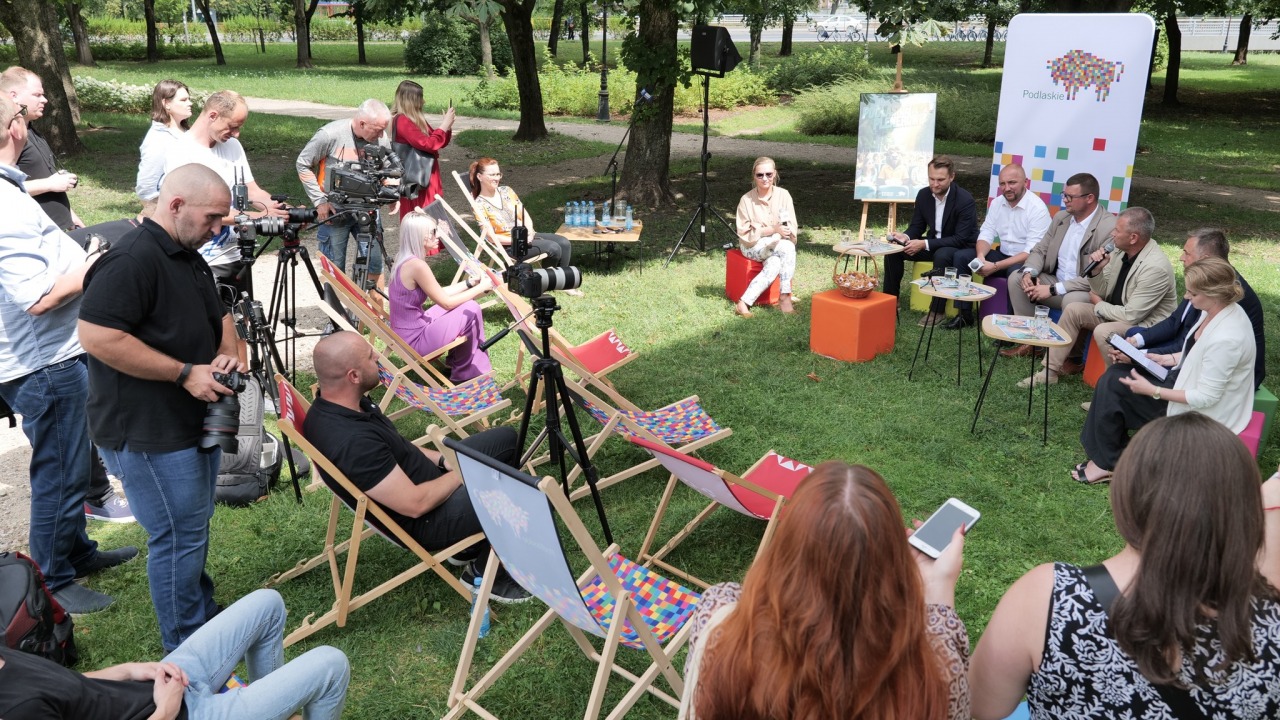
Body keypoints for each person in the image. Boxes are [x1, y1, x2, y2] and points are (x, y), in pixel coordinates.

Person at [970, 413, 1280, 719]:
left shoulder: (1049, 598)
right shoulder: (1273, 619)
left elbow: (977, 707)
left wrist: (937, 596)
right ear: (1246, 508)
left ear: (1125, 496)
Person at [78, 164, 243, 651]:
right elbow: (97, 335)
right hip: (148, 430)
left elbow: (220, 316)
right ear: (175, 205)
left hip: (190, 419)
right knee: (177, 535)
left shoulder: (187, 252)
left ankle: (200, 612)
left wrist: (226, 352)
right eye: (212, 217)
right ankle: (188, 648)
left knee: (191, 527)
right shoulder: (131, 259)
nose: (219, 229)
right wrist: (183, 373)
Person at [679, 462, 970, 720]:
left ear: (786, 548)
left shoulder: (717, 617)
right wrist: (938, 587)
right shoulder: (937, 673)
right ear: (891, 561)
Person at [0, 95, 137, 614]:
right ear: (15, 128)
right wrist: (96, 262)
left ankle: (76, 551)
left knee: (74, 461)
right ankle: (53, 577)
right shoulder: (5, 201)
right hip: (42, 362)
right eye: (23, 119)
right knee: (59, 470)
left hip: (52, 354)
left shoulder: (10, 190)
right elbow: (36, 298)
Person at [302, 331, 532, 603]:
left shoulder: (347, 404)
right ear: (353, 376)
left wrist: (446, 460)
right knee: (521, 491)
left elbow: (400, 446)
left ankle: (470, 544)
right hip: (428, 519)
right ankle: (487, 574)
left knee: (505, 440)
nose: (378, 357)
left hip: (430, 485)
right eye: (370, 356)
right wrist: (464, 471)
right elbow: (415, 504)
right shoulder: (351, 442)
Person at [0, 588, 350, 720]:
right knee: (331, 665)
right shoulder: (17, 710)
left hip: (167, 685)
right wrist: (166, 711)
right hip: (177, 713)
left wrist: (127, 670)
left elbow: (59, 688)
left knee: (267, 604)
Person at [1072, 257, 1254, 483]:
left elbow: (1206, 397)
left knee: (1116, 387)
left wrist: (1152, 390)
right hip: (1185, 379)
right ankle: (1109, 457)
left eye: (1192, 293)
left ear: (1214, 292)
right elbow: (1198, 353)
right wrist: (1161, 358)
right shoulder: (1215, 309)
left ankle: (1108, 462)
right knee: (1114, 375)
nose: (1187, 297)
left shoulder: (1228, 338)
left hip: (1206, 410)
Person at [1017, 207, 1176, 388]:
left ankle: (1112, 389)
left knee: (1104, 331)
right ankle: (1049, 372)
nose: (1112, 234)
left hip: (1143, 322)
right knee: (1073, 309)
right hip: (1117, 310)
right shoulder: (1119, 251)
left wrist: (1099, 304)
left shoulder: (1155, 267)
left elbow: (1132, 315)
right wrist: (1096, 271)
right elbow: (1102, 290)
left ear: (1133, 238)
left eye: (1117, 230)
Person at [163, 90, 288, 282]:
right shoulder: (182, 153)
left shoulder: (232, 146)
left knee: (243, 311)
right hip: (203, 259)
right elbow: (200, 211)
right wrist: (259, 217)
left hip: (237, 254)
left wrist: (280, 211)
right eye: (233, 126)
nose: (236, 134)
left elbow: (252, 191)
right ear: (213, 115)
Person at [1119, 227, 1265, 391]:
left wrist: (1139, 355)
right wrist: (1136, 342)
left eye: (1187, 253)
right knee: (1133, 336)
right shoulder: (1204, 279)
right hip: (1189, 347)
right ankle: (1119, 395)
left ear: (1204, 259)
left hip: (1224, 370)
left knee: (1133, 358)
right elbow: (1175, 320)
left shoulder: (1222, 292)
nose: (1182, 258)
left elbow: (1190, 344)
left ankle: (1126, 398)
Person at [1003, 172, 1115, 357]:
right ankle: (1030, 342)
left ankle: (1072, 357)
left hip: (1085, 290)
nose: (1065, 200)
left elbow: (1099, 277)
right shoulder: (1061, 218)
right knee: (1017, 278)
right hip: (1056, 281)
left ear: (1089, 198)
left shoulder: (1108, 227)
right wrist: (1029, 273)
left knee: (1072, 302)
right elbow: (1040, 250)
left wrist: (1053, 289)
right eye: (1064, 195)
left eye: (1070, 197)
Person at [389, 209, 494, 383]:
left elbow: (439, 293)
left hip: (405, 334)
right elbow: (446, 303)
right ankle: (466, 373)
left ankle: (458, 363)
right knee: (471, 308)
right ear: (421, 236)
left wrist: (470, 284)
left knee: (460, 307)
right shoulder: (417, 266)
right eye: (433, 232)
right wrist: (482, 288)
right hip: (414, 342)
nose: (438, 235)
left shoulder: (404, 259)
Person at [297, 98, 392, 287]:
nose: (382, 135)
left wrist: (389, 189)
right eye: (378, 129)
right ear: (362, 123)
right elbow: (303, 163)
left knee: (374, 263)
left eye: (384, 129)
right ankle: (337, 315)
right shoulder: (329, 134)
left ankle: (373, 315)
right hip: (335, 213)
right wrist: (320, 201)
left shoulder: (380, 137)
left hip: (368, 211)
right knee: (334, 268)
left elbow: (387, 167)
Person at [949, 164, 1050, 328]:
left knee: (1014, 274)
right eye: (1002, 184)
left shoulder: (1037, 208)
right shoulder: (997, 203)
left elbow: (1032, 251)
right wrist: (981, 256)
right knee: (962, 257)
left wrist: (995, 266)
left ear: (1026, 182)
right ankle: (964, 315)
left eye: (1012, 183)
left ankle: (1012, 324)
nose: (1007, 188)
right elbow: (986, 233)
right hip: (1002, 254)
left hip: (1026, 260)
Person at [882, 155, 978, 327]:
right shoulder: (924, 194)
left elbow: (960, 238)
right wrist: (906, 237)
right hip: (934, 243)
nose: (935, 184)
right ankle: (890, 300)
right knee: (894, 251)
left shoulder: (965, 200)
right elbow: (917, 227)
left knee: (942, 255)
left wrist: (924, 244)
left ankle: (937, 311)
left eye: (940, 180)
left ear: (952, 177)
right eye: (931, 178)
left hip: (961, 247)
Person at [469, 157, 580, 294]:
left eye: (498, 174)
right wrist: (518, 240)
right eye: (492, 174)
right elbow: (490, 237)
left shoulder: (506, 191)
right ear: (480, 176)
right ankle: (545, 283)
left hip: (525, 235)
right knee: (554, 248)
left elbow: (524, 213)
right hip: (510, 245)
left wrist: (529, 232)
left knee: (564, 242)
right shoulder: (479, 204)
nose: (496, 178)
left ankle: (563, 283)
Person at [0, 66, 83, 231]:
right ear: (14, 97)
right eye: (37, 95)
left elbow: (50, 181)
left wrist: (72, 218)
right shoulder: (9, 140)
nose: (44, 100)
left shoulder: (32, 130)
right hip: (36, 233)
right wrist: (49, 184)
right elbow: (5, 190)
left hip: (60, 229)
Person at [732, 156, 798, 317]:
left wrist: (780, 232)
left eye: (769, 174)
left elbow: (790, 227)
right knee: (787, 247)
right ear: (753, 176)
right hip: (752, 246)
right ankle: (785, 297)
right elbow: (745, 234)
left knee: (775, 263)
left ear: (775, 174)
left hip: (777, 244)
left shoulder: (784, 195)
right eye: (760, 175)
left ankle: (743, 303)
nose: (765, 178)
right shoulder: (746, 200)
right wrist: (772, 229)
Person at [391, 80, 455, 222]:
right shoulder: (402, 120)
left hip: (426, 174)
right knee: (423, 218)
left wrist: (447, 127)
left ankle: (433, 242)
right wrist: (443, 125)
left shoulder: (415, 119)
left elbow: (438, 142)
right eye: (420, 98)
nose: (424, 101)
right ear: (412, 100)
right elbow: (428, 144)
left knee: (433, 213)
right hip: (417, 177)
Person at [135, 79, 193, 209]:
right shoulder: (158, 139)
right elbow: (147, 187)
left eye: (189, 99)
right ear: (166, 103)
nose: (190, 103)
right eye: (183, 100)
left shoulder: (187, 133)